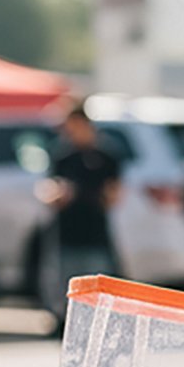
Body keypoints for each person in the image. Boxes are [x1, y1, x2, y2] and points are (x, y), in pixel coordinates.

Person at [46, 104, 123, 301]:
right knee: (67, 285)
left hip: (95, 230)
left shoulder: (106, 156)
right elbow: (51, 187)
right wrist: (58, 195)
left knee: (96, 287)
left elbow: (114, 194)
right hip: (67, 230)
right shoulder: (62, 155)